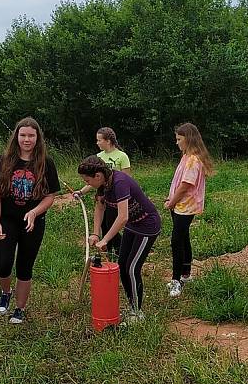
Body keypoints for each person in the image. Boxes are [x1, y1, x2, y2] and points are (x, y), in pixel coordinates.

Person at [0, 117, 60, 324]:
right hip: (7, 220)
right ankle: (5, 291)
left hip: (33, 222)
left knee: (24, 267)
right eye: (23, 135)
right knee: (1, 265)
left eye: (31, 135)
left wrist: (35, 212)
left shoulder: (46, 163)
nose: (26, 139)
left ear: (38, 138)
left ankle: (19, 309)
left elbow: (50, 196)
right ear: (16, 136)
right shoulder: (5, 160)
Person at [77, 156, 161, 321]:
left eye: (87, 180)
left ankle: (137, 313)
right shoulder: (103, 185)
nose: (87, 184)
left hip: (147, 226)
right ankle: (132, 306)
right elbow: (100, 208)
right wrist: (95, 233)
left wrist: (105, 240)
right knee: (122, 266)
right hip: (133, 225)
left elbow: (122, 217)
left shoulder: (119, 182)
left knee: (131, 268)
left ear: (98, 176)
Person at [165, 123, 214, 298]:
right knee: (183, 239)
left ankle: (176, 280)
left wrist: (172, 202)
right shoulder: (186, 157)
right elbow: (180, 182)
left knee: (176, 241)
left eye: (179, 139)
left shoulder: (193, 159)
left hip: (185, 207)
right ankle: (186, 275)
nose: (177, 143)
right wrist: (171, 199)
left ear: (189, 139)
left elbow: (186, 185)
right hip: (179, 206)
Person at [75, 127, 131, 256]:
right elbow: (93, 181)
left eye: (99, 140)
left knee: (112, 223)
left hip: (117, 198)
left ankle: (119, 251)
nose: (97, 143)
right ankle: (108, 250)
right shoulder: (98, 157)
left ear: (108, 141)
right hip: (102, 197)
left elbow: (127, 180)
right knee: (104, 224)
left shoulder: (121, 156)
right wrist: (82, 192)